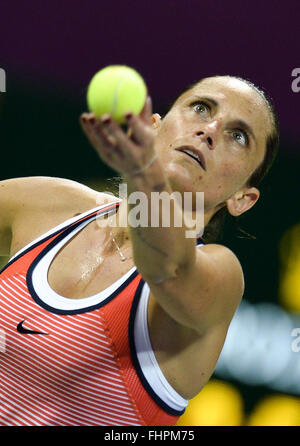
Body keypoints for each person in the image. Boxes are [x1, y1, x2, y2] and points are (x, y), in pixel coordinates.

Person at [0, 75, 279, 426]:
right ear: (154, 126)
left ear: (242, 199)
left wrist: (144, 171)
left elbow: (169, 269)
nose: (209, 129)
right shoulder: (47, 205)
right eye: (200, 107)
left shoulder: (221, 277)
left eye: (238, 136)